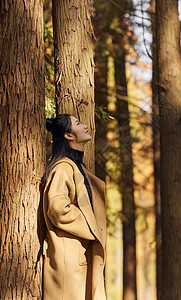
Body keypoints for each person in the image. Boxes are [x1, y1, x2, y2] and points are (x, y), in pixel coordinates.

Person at [41, 114, 107, 300]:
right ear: (69, 136)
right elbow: (58, 209)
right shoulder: (63, 168)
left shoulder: (79, 169)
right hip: (68, 264)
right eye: (78, 123)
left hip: (81, 259)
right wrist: (91, 228)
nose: (85, 125)